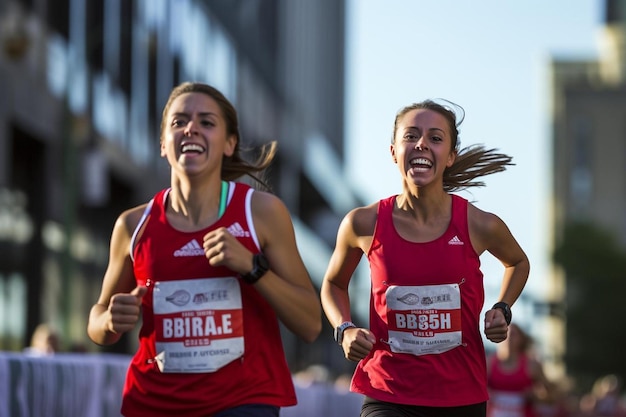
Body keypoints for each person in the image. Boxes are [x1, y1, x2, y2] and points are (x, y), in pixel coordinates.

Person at [87, 82, 322, 417]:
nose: (191, 128)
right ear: (163, 144)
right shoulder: (132, 225)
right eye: (179, 121)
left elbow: (310, 323)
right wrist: (110, 320)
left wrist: (252, 267)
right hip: (154, 403)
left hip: (243, 402)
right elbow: (96, 323)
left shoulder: (262, 214)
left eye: (207, 122)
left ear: (229, 144)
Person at [320, 99, 531, 417]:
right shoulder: (362, 223)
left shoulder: (479, 224)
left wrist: (502, 308)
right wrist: (344, 328)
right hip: (387, 391)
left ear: (450, 156)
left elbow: (518, 262)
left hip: (460, 396)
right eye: (411, 136)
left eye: (435, 137)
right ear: (393, 152)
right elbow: (333, 283)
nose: (421, 144)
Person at [487, 323, 555, 417]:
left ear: (521, 340)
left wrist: (535, 396)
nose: (508, 338)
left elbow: (552, 396)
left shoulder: (532, 365)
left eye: (513, 334)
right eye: (504, 334)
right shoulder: (489, 364)